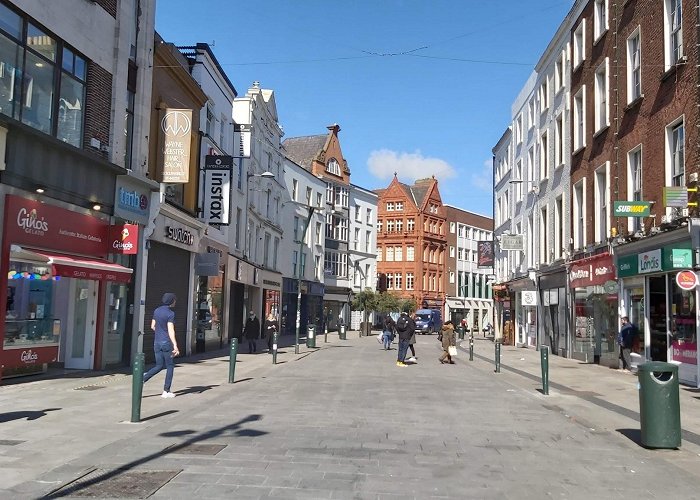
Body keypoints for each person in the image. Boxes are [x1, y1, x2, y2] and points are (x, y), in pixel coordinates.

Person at [143, 292, 179, 398]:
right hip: (166, 343)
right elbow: (171, 330)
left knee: (159, 365)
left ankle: (143, 379)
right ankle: (166, 391)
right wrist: (175, 345)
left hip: (157, 342)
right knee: (170, 366)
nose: (175, 302)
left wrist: (159, 333)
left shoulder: (157, 311)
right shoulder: (170, 314)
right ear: (171, 301)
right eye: (174, 300)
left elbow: (152, 326)